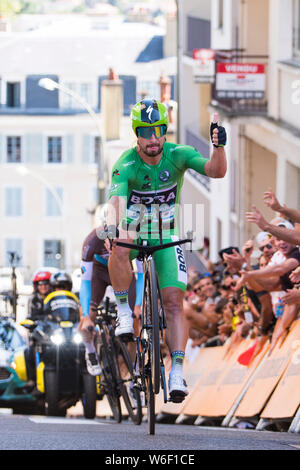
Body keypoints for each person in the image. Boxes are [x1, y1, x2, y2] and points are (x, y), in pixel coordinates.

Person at [103, 98, 227, 401]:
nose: (153, 138)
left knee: (174, 303)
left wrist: (219, 147)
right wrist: (111, 226)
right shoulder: (126, 164)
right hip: (133, 229)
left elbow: (216, 171)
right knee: (118, 243)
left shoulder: (178, 154)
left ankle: (176, 373)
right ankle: (122, 311)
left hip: (166, 234)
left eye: (159, 130)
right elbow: (116, 203)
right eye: (146, 132)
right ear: (136, 133)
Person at [78, 227, 139, 376]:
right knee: (88, 315)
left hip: (122, 270)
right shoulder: (92, 241)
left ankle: (134, 369)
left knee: (135, 321)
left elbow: (142, 273)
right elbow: (85, 281)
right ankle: (90, 351)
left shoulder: (131, 234)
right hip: (99, 273)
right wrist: (86, 316)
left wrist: (138, 305)